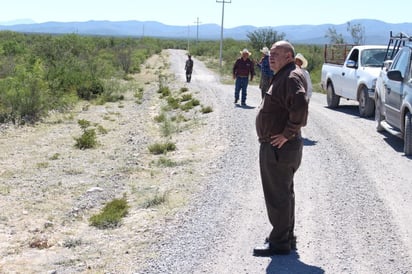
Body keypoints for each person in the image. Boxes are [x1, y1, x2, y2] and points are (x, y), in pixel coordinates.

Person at [253, 40, 309, 256]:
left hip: (279, 148)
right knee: (284, 194)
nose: (271, 57)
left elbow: (300, 103)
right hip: (280, 148)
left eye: (276, 54)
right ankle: (286, 237)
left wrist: (287, 133)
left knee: (277, 195)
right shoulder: (286, 74)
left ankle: (279, 243)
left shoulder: (291, 76)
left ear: (288, 56)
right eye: (270, 54)